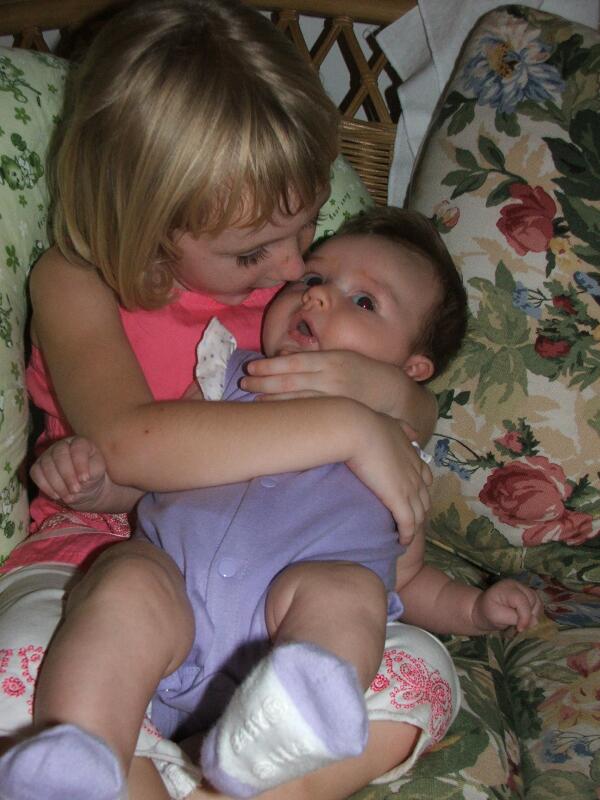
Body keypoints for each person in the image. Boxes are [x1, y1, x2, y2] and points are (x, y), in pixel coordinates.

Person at [0, 1, 440, 798]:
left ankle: (255, 770)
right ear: (143, 219)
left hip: (280, 574)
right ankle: (101, 764)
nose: (292, 267)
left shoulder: (299, 298)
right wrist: (348, 425)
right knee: (31, 669)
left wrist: (385, 396)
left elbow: (419, 408)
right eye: (253, 252)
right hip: (104, 552)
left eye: (306, 230)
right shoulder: (75, 283)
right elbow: (131, 443)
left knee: (417, 672)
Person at [1, 209, 542, 800]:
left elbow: (406, 578)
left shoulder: (401, 455)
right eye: (314, 279)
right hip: (169, 600)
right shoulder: (228, 375)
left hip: (280, 638)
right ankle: (86, 749)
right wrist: (94, 486)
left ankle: (285, 727)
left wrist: (472, 609)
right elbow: (150, 475)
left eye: (364, 302)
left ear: (411, 370)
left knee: (365, 609)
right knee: (123, 579)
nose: (316, 297)